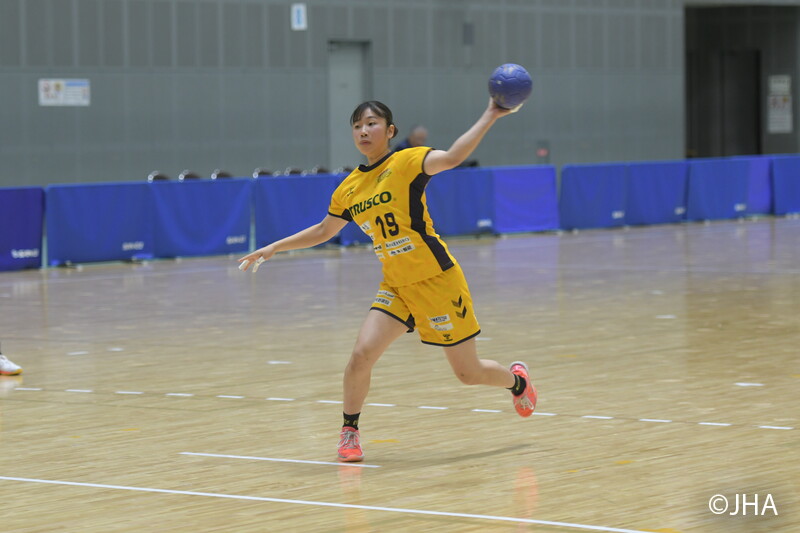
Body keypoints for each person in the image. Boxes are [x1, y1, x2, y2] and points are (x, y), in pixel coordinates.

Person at [239, 98, 537, 462]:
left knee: (467, 373)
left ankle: (517, 381)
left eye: (371, 124)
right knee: (360, 355)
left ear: (390, 130)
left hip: (437, 280)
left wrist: (491, 114)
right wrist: (274, 247)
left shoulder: (408, 162)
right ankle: (350, 432)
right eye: (357, 126)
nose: (363, 131)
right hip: (396, 286)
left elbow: (454, 157)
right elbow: (323, 230)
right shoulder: (349, 187)